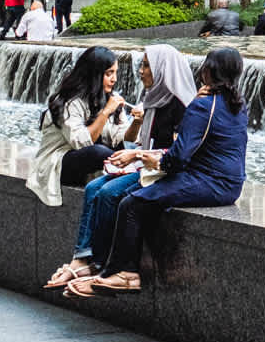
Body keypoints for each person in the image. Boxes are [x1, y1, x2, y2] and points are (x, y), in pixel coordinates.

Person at [71, 46, 249, 295]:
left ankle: (126, 273)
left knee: (131, 204)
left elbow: (178, 157)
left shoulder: (202, 105)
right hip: (230, 184)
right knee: (127, 195)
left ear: (208, 71)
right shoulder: (237, 104)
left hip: (208, 182)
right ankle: (105, 269)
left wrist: (150, 160)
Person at [44, 44, 196, 290]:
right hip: (71, 161)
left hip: (159, 169)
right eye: (109, 73)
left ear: (162, 70)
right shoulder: (75, 101)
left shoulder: (179, 105)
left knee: (108, 191)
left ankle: (104, 265)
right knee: (95, 186)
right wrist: (133, 147)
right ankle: (84, 259)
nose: (140, 71)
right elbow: (84, 141)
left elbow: (172, 152)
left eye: (146, 66)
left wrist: (135, 148)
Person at [26, 45, 130, 207]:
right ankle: (132, 172)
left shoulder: (111, 98)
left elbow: (122, 138)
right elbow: (82, 142)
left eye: (115, 73)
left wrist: (138, 122)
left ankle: (130, 171)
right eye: (109, 73)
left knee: (127, 150)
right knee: (98, 152)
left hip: (92, 160)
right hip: (60, 162)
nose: (114, 79)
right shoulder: (69, 101)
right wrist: (105, 113)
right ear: (94, 74)